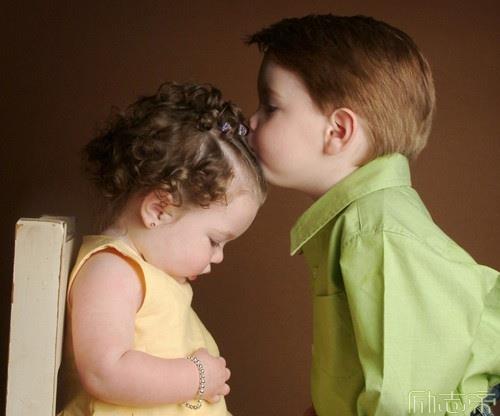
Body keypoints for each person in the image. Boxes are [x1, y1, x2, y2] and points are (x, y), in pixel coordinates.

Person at [246, 14, 500, 416]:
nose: (251, 120)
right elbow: (367, 366)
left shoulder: (374, 230)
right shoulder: (359, 220)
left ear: (338, 131)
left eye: (270, 106)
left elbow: (402, 400)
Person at [58, 81, 266, 415]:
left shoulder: (153, 275)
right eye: (214, 241)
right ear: (159, 210)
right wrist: (197, 377)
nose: (218, 257)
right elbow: (104, 372)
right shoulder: (111, 271)